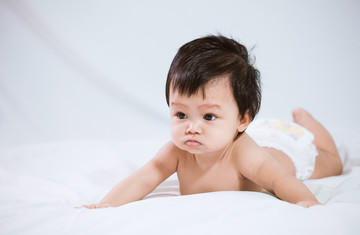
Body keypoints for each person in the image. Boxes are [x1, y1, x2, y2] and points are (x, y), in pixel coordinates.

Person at [80, 35, 342, 209]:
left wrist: (307, 203)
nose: (192, 127)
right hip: (253, 133)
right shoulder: (178, 151)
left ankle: (305, 119)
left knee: (331, 163)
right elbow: (143, 178)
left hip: (286, 148)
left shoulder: (245, 154)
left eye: (208, 116)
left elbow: (279, 180)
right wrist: (105, 206)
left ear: (242, 119)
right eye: (181, 115)